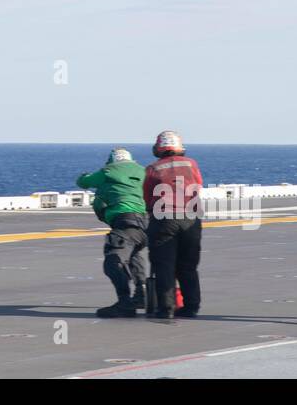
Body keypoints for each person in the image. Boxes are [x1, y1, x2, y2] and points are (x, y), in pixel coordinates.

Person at [76, 147, 149, 318]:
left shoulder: (108, 171)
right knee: (135, 255)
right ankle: (142, 294)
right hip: (145, 223)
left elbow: (84, 183)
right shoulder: (143, 171)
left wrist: (84, 175)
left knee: (112, 262)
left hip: (124, 221)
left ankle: (124, 303)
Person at [143, 130, 203, 320]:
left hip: (164, 219)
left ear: (158, 148)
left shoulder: (153, 168)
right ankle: (191, 306)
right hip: (191, 219)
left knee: (164, 265)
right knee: (188, 265)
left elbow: (147, 195)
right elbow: (198, 185)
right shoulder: (191, 163)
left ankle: (166, 309)